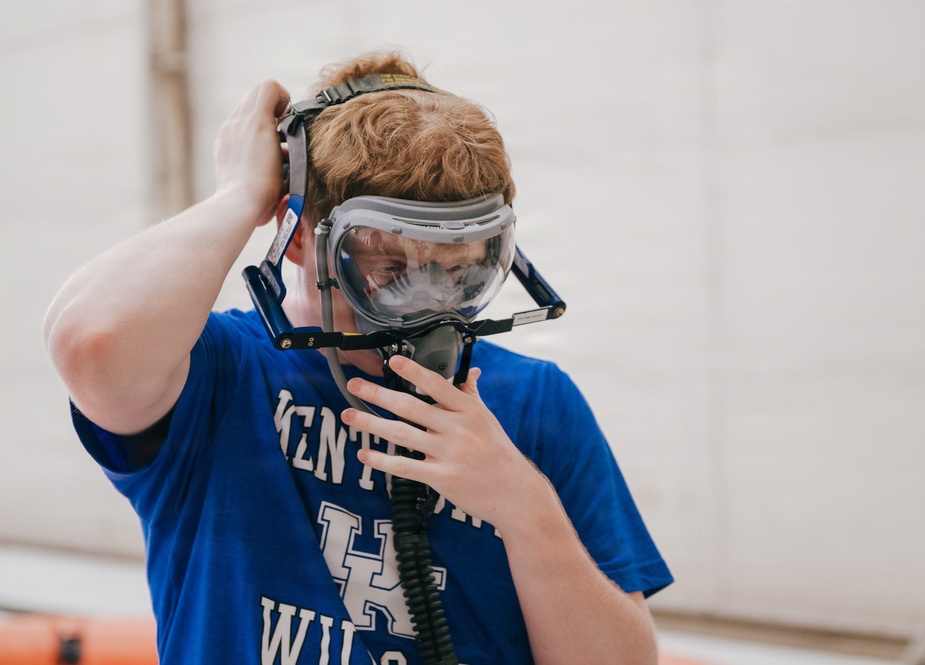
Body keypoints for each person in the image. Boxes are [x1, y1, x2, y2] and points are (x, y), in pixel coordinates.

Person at [43, 51, 672, 665]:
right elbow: (89, 341)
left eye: (461, 270)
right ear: (299, 240)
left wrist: (526, 509)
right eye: (390, 268)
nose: (430, 302)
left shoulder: (536, 403)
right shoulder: (218, 373)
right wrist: (240, 193)